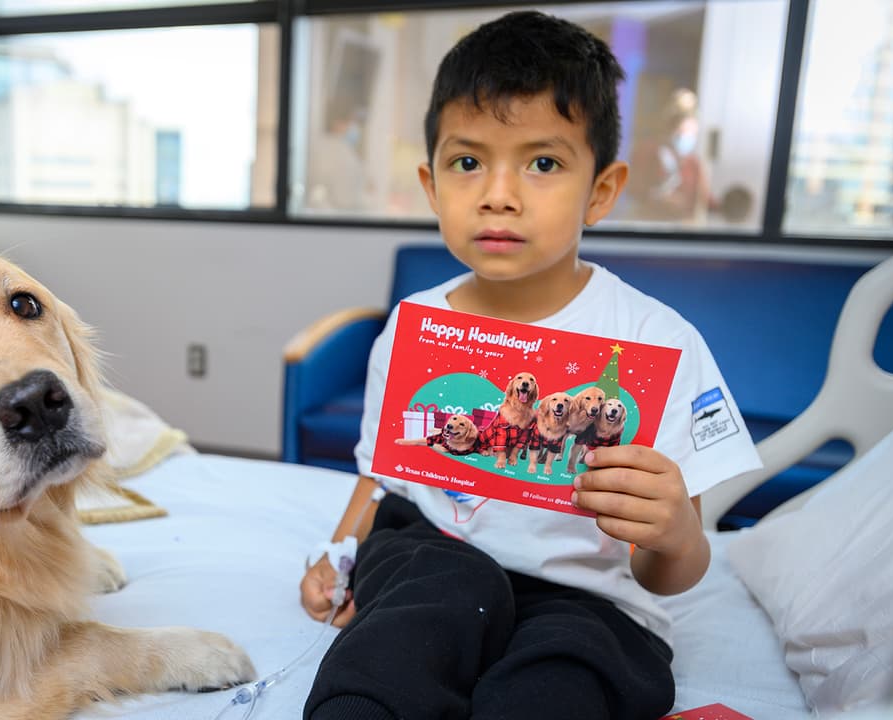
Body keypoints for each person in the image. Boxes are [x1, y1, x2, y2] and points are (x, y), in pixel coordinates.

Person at [298, 11, 761, 719]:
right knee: (405, 621)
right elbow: (381, 469)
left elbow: (671, 575)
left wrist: (675, 534)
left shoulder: (655, 340)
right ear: (431, 185)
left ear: (601, 191)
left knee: (570, 671)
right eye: (467, 162)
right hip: (433, 555)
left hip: (591, 595)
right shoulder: (416, 326)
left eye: (543, 163)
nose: (498, 193)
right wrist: (339, 552)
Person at [628, 87, 713, 222]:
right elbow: (634, 188)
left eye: (692, 132)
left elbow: (705, 198)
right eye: (683, 131)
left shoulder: (693, 162)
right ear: (671, 128)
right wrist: (658, 197)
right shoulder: (648, 152)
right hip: (649, 221)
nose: (688, 136)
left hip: (682, 225)